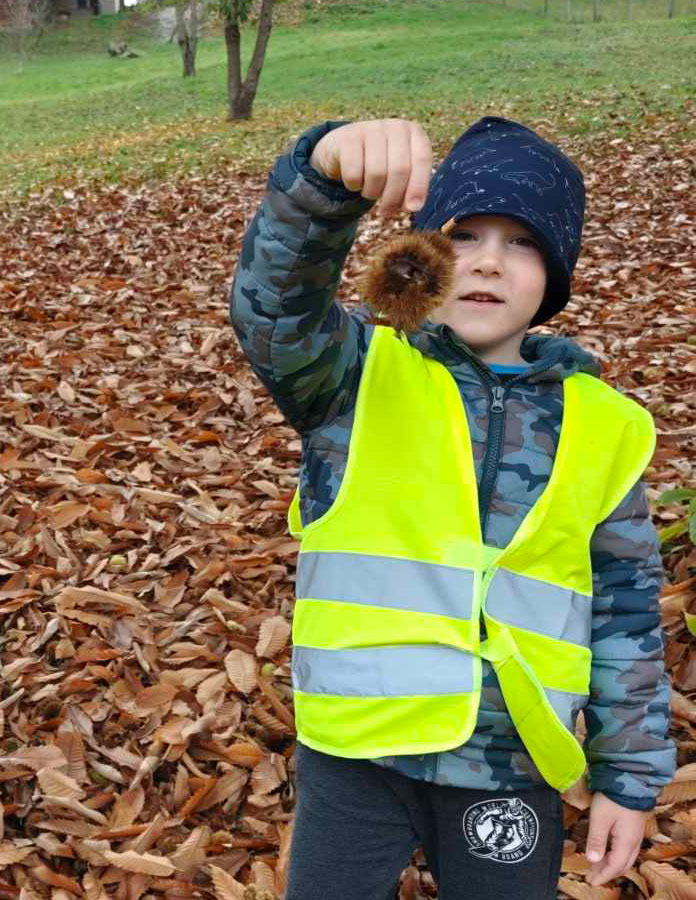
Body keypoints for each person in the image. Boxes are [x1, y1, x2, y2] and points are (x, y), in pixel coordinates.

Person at [229, 117, 673, 899]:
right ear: (420, 257)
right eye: (463, 235)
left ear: (555, 271)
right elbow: (274, 306)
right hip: (357, 755)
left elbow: (626, 613)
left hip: (512, 760)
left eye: (523, 242)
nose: (490, 262)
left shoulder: (605, 427)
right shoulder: (353, 375)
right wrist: (324, 183)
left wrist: (629, 777)